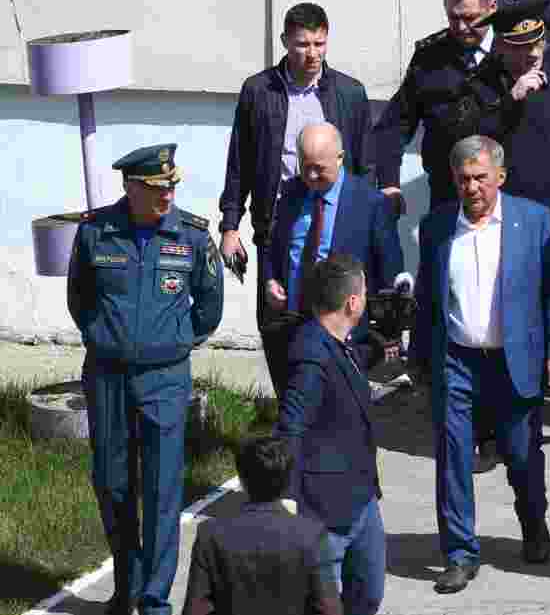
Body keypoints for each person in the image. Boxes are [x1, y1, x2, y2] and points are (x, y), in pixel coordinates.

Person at [68, 144, 224, 615]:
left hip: (165, 378)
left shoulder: (193, 236)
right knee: (113, 482)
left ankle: (155, 600)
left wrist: (171, 342)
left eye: (172, 186)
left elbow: (209, 307)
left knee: (161, 490)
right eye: (158, 188)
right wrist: (109, 338)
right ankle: (128, 583)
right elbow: (81, 300)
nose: (168, 195)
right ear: (131, 188)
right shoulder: (96, 232)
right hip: (108, 376)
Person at [451, 0, 550, 450]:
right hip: (506, 219)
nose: (531, 55)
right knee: (500, 312)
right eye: (521, 48)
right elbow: (467, 143)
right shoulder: (482, 87)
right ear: (502, 46)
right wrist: (510, 101)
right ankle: (493, 420)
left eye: (537, 44)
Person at [410, 135, 550, 594]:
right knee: (453, 457)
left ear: (500, 176)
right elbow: (426, 298)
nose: (472, 187)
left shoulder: (533, 220)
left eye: (480, 177)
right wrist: (420, 359)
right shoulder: (437, 226)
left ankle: (534, 523)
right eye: (463, 179)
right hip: (456, 359)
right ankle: (459, 552)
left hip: (512, 360)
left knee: (521, 455)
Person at [219, 3, 380, 385]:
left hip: (333, 221)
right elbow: (239, 161)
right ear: (285, 42)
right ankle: (289, 405)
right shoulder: (260, 91)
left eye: (319, 44)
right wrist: (230, 225)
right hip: (279, 223)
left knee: (335, 319)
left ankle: (334, 403)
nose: (311, 54)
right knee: (279, 320)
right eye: (302, 45)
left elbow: (364, 166)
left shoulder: (349, 93)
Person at [277, 254, 386, 614]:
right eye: (365, 293)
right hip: (327, 508)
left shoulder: (335, 340)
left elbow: (348, 362)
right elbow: (291, 427)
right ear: (352, 302)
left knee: (367, 596)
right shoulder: (311, 353)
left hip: (362, 498)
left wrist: (380, 346)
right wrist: (287, 500)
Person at [262, 122, 403, 400]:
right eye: (306, 167)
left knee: (339, 410)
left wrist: (385, 334)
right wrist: (270, 278)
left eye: (320, 168)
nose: (312, 176)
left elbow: (390, 270)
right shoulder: (290, 194)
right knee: (297, 406)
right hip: (293, 323)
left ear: (340, 158)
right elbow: (273, 246)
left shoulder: (371, 203)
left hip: (343, 331)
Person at [373, 0, 499, 211]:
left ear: (491, 8)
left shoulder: (512, 51)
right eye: (454, 18)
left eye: (471, 18)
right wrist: (389, 183)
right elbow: (394, 125)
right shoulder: (430, 57)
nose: (462, 28)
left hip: (505, 196)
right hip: (448, 194)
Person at [183, 436, 341, 615]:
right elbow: (329, 609)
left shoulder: (210, 535)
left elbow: (195, 610)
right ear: (287, 481)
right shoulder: (311, 535)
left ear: (242, 480)